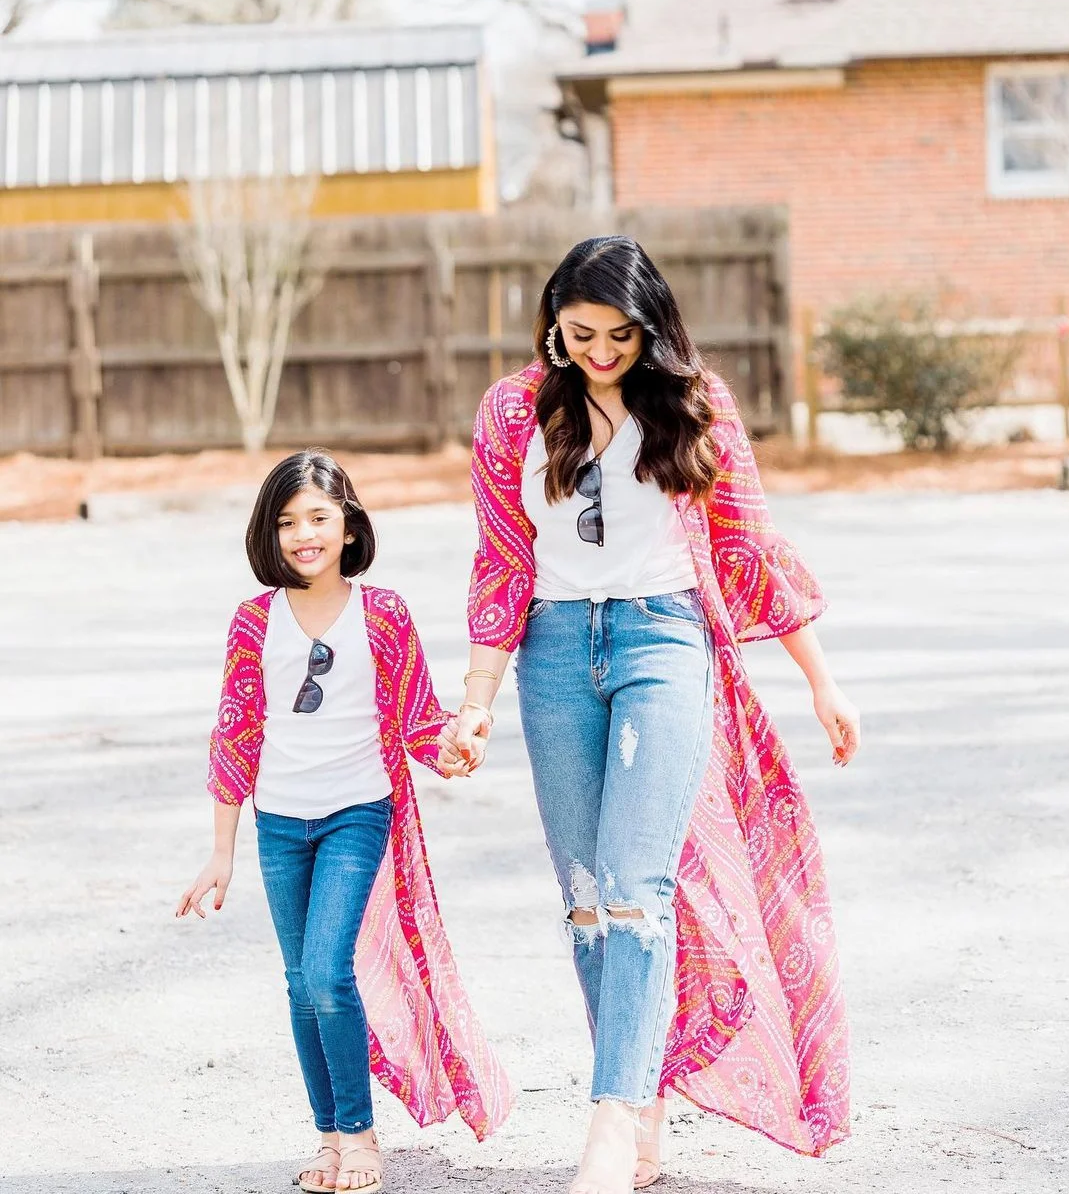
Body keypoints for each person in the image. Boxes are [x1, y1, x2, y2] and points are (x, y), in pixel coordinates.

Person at [439, 236, 860, 1194]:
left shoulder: (695, 401)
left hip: (662, 643)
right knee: (587, 896)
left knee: (637, 886)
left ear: (651, 328)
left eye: (620, 335)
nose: (598, 351)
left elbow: (748, 546)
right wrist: (476, 704)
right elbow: (501, 560)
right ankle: (645, 1100)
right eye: (579, 332)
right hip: (550, 652)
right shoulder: (513, 410)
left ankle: (608, 1119)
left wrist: (821, 682)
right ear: (553, 320)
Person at [177, 449, 510, 1194]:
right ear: (270, 533)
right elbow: (235, 730)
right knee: (299, 982)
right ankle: (329, 1140)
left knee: (329, 971)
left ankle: (361, 1138)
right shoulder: (252, 620)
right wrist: (221, 849)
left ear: (350, 528)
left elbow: (417, 716)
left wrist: (454, 745)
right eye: (288, 521)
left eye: (319, 518)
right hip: (279, 823)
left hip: (357, 813)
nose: (304, 535)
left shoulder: (382, 612)